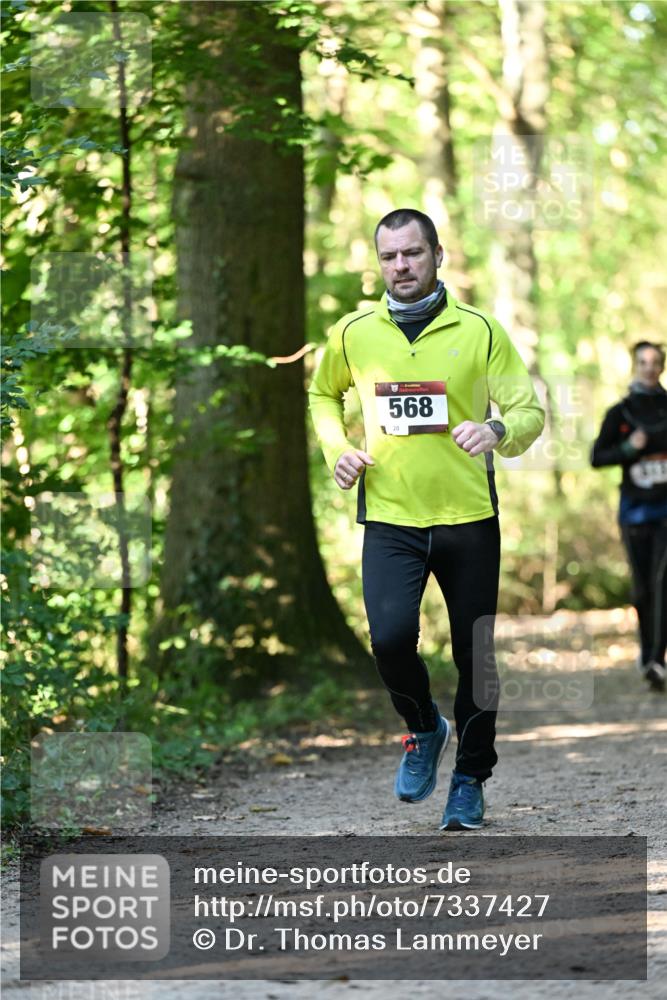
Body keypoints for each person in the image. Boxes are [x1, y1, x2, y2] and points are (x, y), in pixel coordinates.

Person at [308, 208, 544, 830]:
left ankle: (470, 779)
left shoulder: (481, 329)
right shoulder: (354, 332)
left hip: (469, 517)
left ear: (438, 255)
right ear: (378, 262)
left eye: (412, 253)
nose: (401, 266)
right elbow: (322, 394)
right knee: (389, 639)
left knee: (476, 655)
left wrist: (496, 429)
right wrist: (337, 448)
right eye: (389, 256)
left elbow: (528, 412)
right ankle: (423, 727)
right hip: (391, 516)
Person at [591, 342, 667, 691]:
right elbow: (597, 457)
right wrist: (627, 448)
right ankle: (648, 655)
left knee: (662, 581)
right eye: (643, 362)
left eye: (655, 362)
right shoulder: (620, 413)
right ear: (635, 366)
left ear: (662, 367)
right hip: (634, 511)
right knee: (643, 586)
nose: (649, 368)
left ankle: (656, 659)